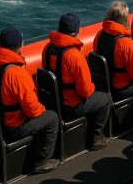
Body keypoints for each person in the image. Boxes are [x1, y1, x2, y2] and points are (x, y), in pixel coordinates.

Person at [0, 27, 60, 174]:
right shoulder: (17, 74)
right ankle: (42, 161)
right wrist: (44, 109)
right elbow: (33, 111)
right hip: (13, 127)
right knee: (52, 118)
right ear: (20, 46)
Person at [43, 13, 111, 150]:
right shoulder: (74, 56)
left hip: (54, 102)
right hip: (72, 104)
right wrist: (94, 87)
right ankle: (96, 138)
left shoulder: (48, 48)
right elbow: (86, 91)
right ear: (77, 31)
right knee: (105, 99)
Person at [94, 1, 133, 122]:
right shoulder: (126, 43)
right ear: (125, 18)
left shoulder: (99, 35)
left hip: (104, 85)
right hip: (121, 87)